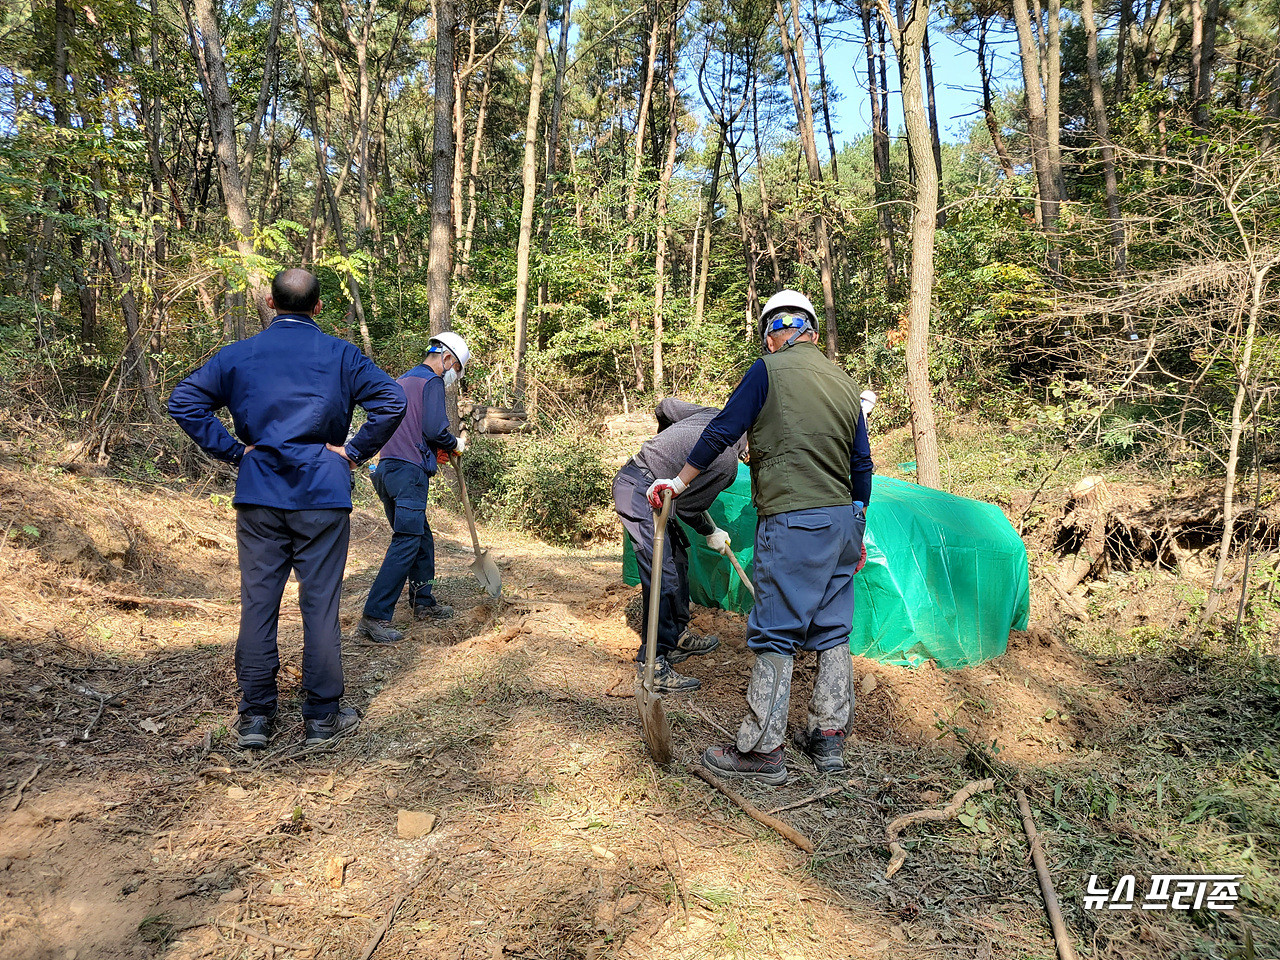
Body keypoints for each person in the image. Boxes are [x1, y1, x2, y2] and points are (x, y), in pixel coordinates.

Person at [169, 269, 406, 750]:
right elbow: (391, 399)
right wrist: (355, 452)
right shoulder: (341, 354)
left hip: (260, 494)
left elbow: (185, 401)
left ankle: (256, 718)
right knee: (320, 605)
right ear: (318, 307)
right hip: (323, 491)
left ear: (269, 303)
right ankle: (321, 718)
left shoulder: (239, 355)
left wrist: (236, 452)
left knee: (259, 602)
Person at [646, 290, 873, 783]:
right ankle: (828, 738)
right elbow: (862, 464)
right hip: (842, 523)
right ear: (813, 330)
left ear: (778, 329)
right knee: (833, 627)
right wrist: (857, 524)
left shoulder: (767, 370)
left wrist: (679, 482)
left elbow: (722, 430)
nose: (768, 340)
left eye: (768, 331)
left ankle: (762, 749)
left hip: (795, 519)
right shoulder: (844, 381)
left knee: (776, 628)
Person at [614, 399, 746, 693]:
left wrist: (667, 447)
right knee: (664, 575)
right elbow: (687, 509)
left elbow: (666, 407)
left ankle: (676, 636)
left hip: (646, 482)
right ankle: (653, 663)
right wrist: (710, 530)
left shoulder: (713, 414)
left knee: (678, 558)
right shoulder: (726, 464)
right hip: (641, 489)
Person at [354, 333, 470, 643]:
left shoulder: (401, 381)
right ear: (445, 359)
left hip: (386, 470)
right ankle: (374, 616)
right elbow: (433, 428)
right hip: (408, 474)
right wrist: (453, 442)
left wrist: (433, 449)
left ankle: (423, 603)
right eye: (456, 369)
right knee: (406, 541)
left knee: (421, 538)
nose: (452, 376)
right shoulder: (430, 382)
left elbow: (408, 426)